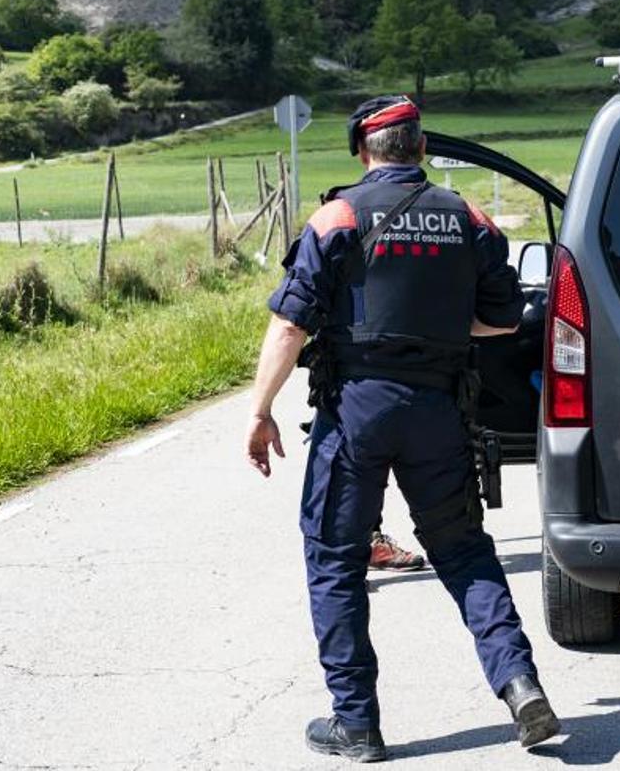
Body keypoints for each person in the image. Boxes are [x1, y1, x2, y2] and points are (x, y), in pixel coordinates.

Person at [244, 95, 559, 762]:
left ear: (364, 153)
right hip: (439, 409)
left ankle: (356, 723)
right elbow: (502, 321)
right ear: (420, 149)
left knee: (335, 556)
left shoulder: (336, 216)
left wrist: (259, 408)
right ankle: (519, 683)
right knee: (465, 551)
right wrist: (440, 330)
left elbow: (291, 323)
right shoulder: (469, 216)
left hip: (355, 410)